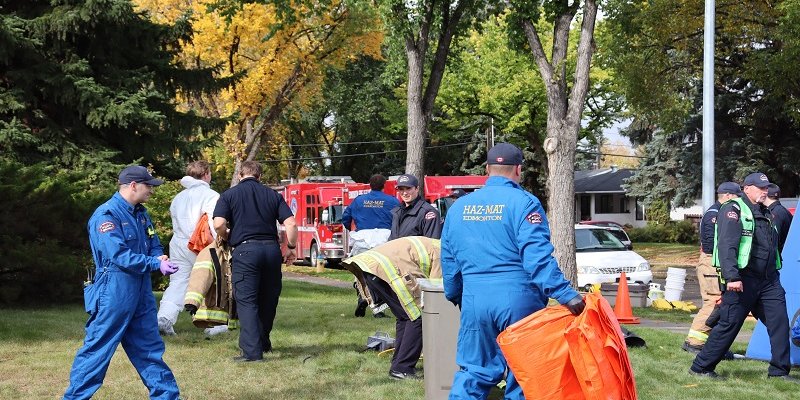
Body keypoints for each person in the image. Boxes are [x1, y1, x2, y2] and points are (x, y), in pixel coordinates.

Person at [441, 143, 586, 399]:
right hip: (519, 299)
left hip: (475, 299)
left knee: (474, 370)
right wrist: (566, 295)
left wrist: (456, 295)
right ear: (518, 169)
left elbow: (449, 261)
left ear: (487, 169)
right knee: (523, 372)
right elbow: (537, 258)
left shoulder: (458, 207)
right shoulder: (525, 204)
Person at [63, 165, 180, 400]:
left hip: (141, 291)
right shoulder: (106, 216)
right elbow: (119, 256)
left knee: (149, 350)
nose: (151, 191)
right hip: (114, 292)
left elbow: (153, 242)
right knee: (98, 349)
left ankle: (167, 397)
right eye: (148, 186)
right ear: (133, 186)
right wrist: (155, 264)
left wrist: (159, 256)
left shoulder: (141, 213)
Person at [690, 172, 797, 381]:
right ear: (747, 188)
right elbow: (726, 245)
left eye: (766, 188)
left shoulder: (766, 211)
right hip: (742, 279)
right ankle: (701, 367)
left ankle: (779, 372)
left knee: (780, 323)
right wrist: (732, 277)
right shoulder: (733, 209)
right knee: (730, 325)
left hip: (768, 280)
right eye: (760, 188)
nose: (764, 191)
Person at [213, 161, 298, 362]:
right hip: (271, 250)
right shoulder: (273, 195)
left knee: (247, 301)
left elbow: (218, 224)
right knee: (268, 299)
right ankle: (263, 342)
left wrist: (227, 236)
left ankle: (252, 353)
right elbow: (291, 223)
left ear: (240, 175)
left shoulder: (229, 195)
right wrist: (291, 248)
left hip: (245, 251)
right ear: (260, 176)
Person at [341, 236, 442, 380]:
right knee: (418, 316)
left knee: (404, 317)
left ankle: (399, 364)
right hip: (389, 269)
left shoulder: (436, 244)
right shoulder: (443, 253)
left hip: (372, 267)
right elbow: (436, 287)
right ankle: (402, 368)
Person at [158, 160, 220, 336]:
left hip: (178, 244)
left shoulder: (179, 197)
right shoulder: (210, 195)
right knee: (211, 281)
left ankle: (164, 318)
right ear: (206, 174)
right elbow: (213, 222)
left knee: (178, 282)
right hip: (202, 245)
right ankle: (213, 323)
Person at [682, 182, 740, 355]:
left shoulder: (718, 212)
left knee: (718, 303)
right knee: (713, 302)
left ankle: (710, 343)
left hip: (715, 262)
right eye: (737, 197)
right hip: (711, 263)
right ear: (728, 196)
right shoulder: (715, 214)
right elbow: (713, 242)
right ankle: (695, 342)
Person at [341, 174, 399, 317]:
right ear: (384, 185)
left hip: (362, 240)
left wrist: (352, 228)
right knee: (380, 275)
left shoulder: (359, 201)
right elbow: (399, 219)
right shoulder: (392, 201)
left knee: (361, 273)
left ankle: (362, 297)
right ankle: (378, 309)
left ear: (370, 185)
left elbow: (345, 218)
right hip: (383, 241)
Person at [388, 173, 441, 240]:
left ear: (417, 189)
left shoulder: (428, 213)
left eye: (408, 188)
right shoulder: (397, 211)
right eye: (401, 189)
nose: (405, 193)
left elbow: (431, 245)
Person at [764, 183, 792, 254]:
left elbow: (774, 239)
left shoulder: (774, 213)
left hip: (779, 256)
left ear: (766, 195)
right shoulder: (782, 210)